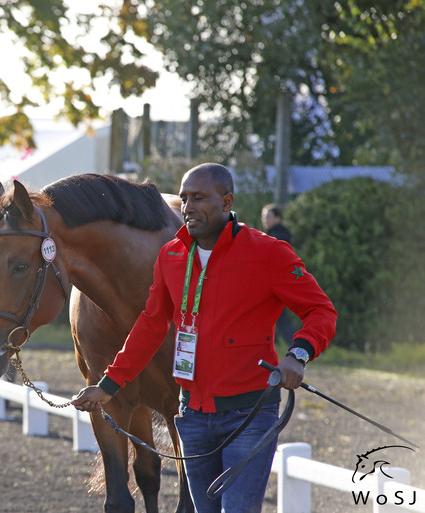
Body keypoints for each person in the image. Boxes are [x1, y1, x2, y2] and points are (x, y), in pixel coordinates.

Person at [71, 163, 336, 513]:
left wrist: (298, 354)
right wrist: (108, 385)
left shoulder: (269, 252)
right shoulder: (171, 256)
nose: (188, 207)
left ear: (227, 202)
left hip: (249, 416)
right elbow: (150, 326)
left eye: (199, 198)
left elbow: (321, 310)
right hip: (192, 418)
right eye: (183, 199)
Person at [261, 203, 296, 344]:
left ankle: (296, 346)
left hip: (275, 282)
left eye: (268, 216)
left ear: (278, 218)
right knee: (276, 317)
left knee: (280, 318)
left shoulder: (278, 236)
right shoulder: (273, 235)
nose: (265, 220)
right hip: (277, 281)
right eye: (263, 217)